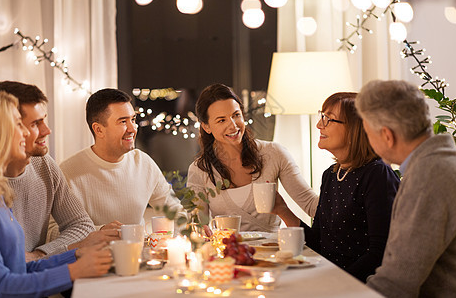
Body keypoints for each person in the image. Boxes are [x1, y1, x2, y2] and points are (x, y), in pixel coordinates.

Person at [0, 91, 112, 298]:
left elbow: (21, 269)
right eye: (19, 125)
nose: (27, 134)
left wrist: (75, 254)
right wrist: (74, 270)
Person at [355, 80, 456, 297]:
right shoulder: (444, 162)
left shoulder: (428, 178)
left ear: (387, 136)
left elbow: (396, 284)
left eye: (368, 133)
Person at [187, 83, 318, 232]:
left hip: (273, 252)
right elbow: (198, 224)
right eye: (221, 120)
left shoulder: (273, 154)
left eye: (236, 115)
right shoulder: (199, 170)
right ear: (206, 127)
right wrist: (199, 229)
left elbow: (310, 205)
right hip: (229, 253)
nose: (233, 125)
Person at [300, 92, 399, 282]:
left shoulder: (377, 174)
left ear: (356, 128)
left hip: (361, 285)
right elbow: (319, 241)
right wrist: (281, 210)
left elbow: (380, 252)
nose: (319, 125)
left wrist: (336, 281)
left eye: (329, 119)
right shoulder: (330, 174)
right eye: (322, 116)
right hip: (331, 279)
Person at [60, 88, 185, 229]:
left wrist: (195, 226)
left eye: (133, 119)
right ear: (99, 130)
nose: (133, 128)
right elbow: (54, 231)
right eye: (123, 122)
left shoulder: (143, 162)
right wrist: (98, 231)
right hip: (93, 251)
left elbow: (174, 211)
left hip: (138, 249)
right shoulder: (68, 172)